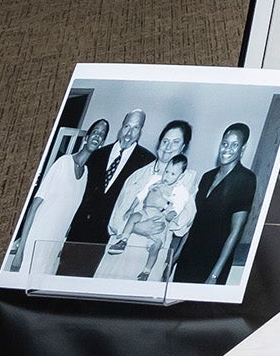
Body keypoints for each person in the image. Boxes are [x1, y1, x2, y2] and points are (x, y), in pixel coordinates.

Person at [58, 108, 157, 276]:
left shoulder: (146, 161)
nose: (129, 133)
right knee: (60, 280)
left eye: (135, 128)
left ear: (141, 130)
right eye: (127, 126)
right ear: (121, 126)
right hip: (78, 232)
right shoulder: (97, 154)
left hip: (106, 238)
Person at [101, 120, 198, 283]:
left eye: (175, 142)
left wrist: (165, 205)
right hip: (120, 253)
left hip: (149, 256)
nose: (168, 147)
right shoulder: (139, 175)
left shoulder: (187, 179)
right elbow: (115, 220)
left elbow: (181, 226)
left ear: (183, 148)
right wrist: (138, 227)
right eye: (165, 141)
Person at [15, 119, 111, 275]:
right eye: (95, 132)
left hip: (54, 245)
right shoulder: (63, 163)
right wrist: (20, 250)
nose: (98, 136)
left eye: (102, 134)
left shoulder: (86, 174)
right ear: (86, 137)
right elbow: (34, 206)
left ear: (102, 142)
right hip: (37, 238)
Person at [173, 123, 256, 285]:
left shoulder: (246, 179)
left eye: (234, 145)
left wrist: (214, 275)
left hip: (213, 262)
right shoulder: (207, 176)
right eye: (225, 144)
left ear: (243, 149)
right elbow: (194, 222)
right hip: (188, 257)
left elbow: (236, 232)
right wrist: (176, 256)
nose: (227, 149)